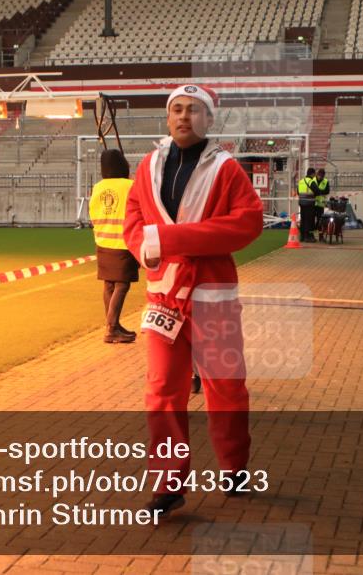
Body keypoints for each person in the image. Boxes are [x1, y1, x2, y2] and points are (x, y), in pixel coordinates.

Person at [123, 84, 263, 519]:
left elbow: (249, 222)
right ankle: (168, 483)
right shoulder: (148, 166)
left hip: (212, 297)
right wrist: (142, 246)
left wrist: (167, 239)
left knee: (225, 386)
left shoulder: (227, 170)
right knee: (162, 390)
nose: (184, 117)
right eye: (177, 110)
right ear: (168, 118)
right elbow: (134, 220)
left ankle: (234, 466)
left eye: (194, 110)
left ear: (209, 119)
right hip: (164, 295)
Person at [89, 149, 139, 344]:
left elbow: (93, 211)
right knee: (122, 284)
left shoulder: (98, 187)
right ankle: (111, 328)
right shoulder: (130, 185)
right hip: (123, 241)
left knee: (109, 284)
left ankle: (114, 325)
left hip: (102, 240)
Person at [297, 167, 317, 242]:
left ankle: (302, 236)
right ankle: (308, 237)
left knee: (303, 219)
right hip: (309, 203)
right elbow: (317, 191)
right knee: (309, 220)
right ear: (312, 174)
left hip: (302, 203)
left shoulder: (301, 181)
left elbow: (298, 192)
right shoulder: (311, 181)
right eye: (314, 174)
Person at [313, 168, 329, 233]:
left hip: (320, 203)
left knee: (320, 219)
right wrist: (320, 192)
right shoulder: (313, 180)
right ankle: (313, 231)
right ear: (317, 174)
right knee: (312, 218)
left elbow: (327, 191)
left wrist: (318, 192)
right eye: (320, 176)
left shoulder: (325, 181)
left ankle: (320, 233)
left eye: (322, 176)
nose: (321, 178)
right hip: (313, 203)